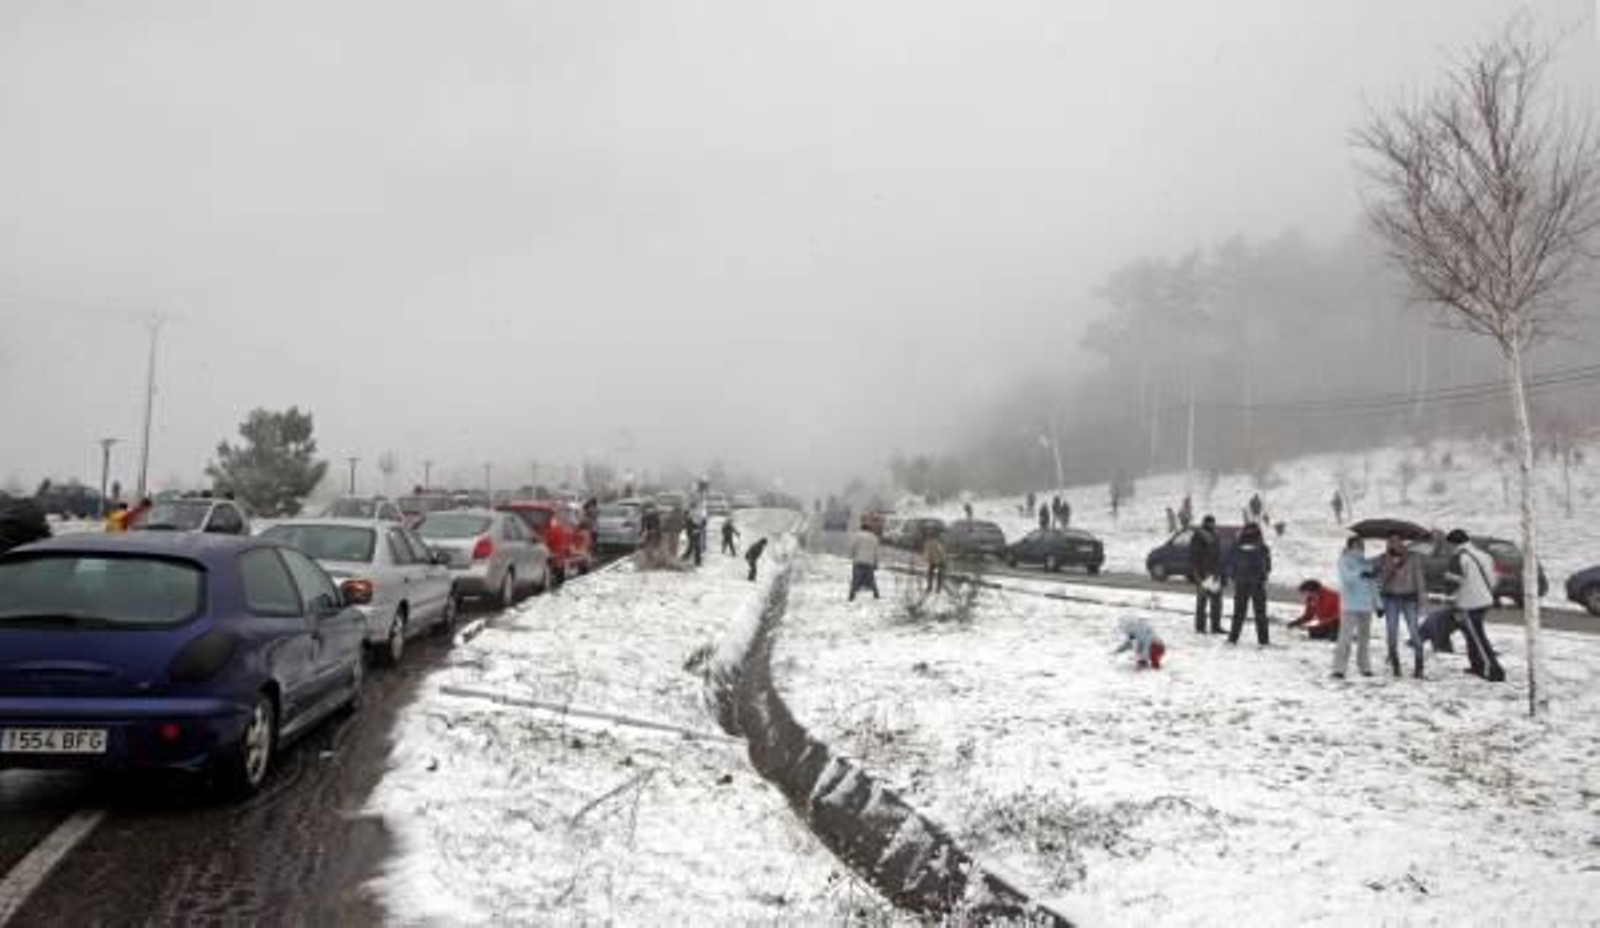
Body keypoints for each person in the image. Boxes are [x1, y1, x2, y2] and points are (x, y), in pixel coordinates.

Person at [1445, 529, 1505, 682]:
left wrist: (1450, 599)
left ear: (1453, 544)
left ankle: (1494, 671)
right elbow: (1495, 578)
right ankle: (1476, 665)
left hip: (1469, 603)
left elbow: (1453, 583)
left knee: (1477, 637)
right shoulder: (1484, 555)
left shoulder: (1458, 557)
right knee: (1471, 635)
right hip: (1485, 600)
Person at [1378, 534, 1427, 679]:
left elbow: (1419, 580)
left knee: (1414, 632)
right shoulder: (1383, 559)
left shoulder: (1413, 558)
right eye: (1390, 542)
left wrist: (1422, 600)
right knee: (1391, 632)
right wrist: (1390, 568)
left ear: (1402, 543)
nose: (1393, 544)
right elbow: (1380, 581)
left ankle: (1419, 667)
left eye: (1396, 541)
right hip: (1391, 599)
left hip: (1409, 599)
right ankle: (1396, 667)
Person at [1332, 536, 1379, 678]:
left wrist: (1379, 604)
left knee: (1364, 639)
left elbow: (1373, 586)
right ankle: (1339, 669)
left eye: (1363, 545)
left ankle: (1365, 667)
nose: (1361, 547)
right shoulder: (1343, 561)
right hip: (1350, 605)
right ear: (1350, 546)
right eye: (1358, 545)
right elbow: (1347, 579)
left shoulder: (1367, 563)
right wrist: (1360, 573)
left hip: (1366, 606)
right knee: (1345, 638)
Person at [1225, 522, 1272, 646]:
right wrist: (1263, 575)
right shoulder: (1262, 547)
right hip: (1256, 584)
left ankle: (1233, 638)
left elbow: (1229, 563)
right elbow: (1267, 566)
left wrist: (1233, 576)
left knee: (1239, 613)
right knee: (1260, 614)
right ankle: (1263, 640)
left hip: (1242, 583)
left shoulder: (1236, 546)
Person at [1190, 515, 1223, 634]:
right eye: (1211, 523)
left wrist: (1219, 572)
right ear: (1206, 523)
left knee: (1216, 602)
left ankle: (1215, 626)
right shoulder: (1198, 536)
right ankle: (1200, 627)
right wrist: (1197, 574)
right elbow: (1194, 556)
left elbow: (1218, 556)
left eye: (1213, 523)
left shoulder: (1215, 535)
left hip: (1214, 574)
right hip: (1203, 574)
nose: (1213, 525)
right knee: (1202, 602)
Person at [848, 518, 881, 601]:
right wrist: (876, 563)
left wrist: (851, 555)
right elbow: (876, 552)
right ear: (870, 530)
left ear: (862, 528)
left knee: (855, 579)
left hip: (858, 561)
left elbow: (853, 547)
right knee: (871, 580)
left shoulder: (857, 536)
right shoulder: (874, 538)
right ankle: (876, 594)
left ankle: (851, 595)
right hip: (869, 562)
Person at [923, 528, 947, 594]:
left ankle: (937, 588)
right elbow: (927, 552)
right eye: (928, 534)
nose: (929, 536)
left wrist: (943, 560)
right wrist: (926, 559)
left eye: (930, 535)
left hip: (938, 560)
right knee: (930, 573)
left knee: (938, 574)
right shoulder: (928, 542)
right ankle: (930, 587)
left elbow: (941, 551)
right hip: (933, 560)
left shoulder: (935, 542)